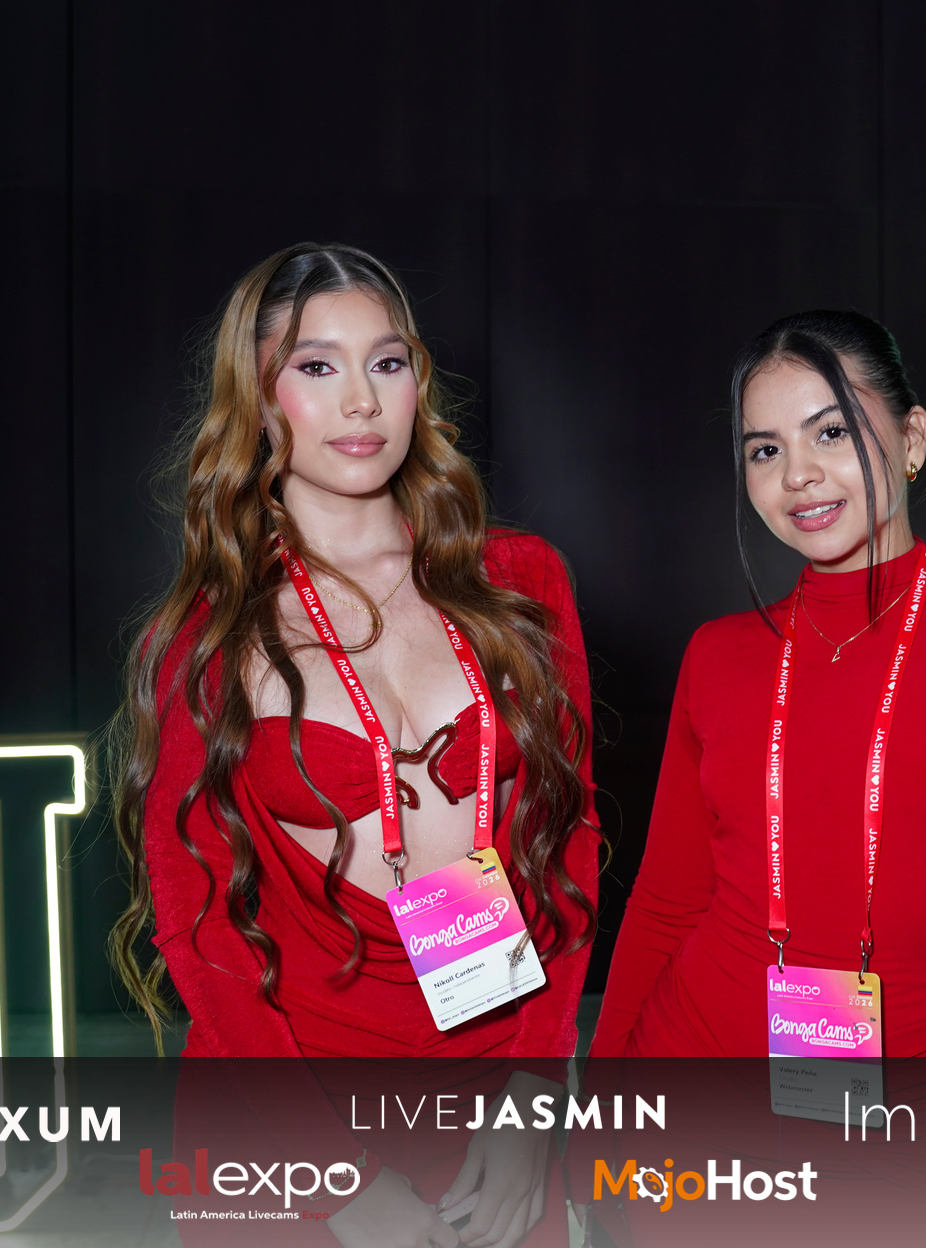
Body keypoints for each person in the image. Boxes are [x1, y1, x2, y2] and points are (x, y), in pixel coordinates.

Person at [109, 244, 599, 1248]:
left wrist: (534, 1095)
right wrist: (337, 1182)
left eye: (387, 361)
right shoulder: (208, 637)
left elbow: (569, 843)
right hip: (287, 1108)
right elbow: (200, 931)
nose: (362, 399)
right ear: (258, 399)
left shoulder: (520, 581)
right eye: (316, 365)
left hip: (490, 1083)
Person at [590, 309, 926, 1059]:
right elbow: (667, 904)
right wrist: (605, 1103)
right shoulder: (718, 653)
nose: (796, 474)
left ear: (912, 439)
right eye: (765, 449)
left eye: (830, 431)